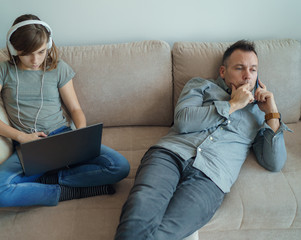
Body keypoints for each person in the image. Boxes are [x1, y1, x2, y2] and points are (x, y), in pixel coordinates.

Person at [114, 40, 290, 240]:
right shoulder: (201, 85)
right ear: (223, 71)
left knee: (163, 234)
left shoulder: (259, 112)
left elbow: (274, 162)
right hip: (169, 156)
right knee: (136, 219)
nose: (247, 75)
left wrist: (272, 113)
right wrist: (232, 105)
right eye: (240, 68)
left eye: (253, 70)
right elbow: (183, 121)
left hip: (211, 177)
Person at [0, 14, 130, 207]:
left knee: (120, 167)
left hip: (62, 137)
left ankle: (48, 180)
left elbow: (75, 108)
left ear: (48, 46)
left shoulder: (58, 68)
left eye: (41, 52)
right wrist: (21, 137)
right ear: (15, 49)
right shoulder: (3, 70)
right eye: (27, 53)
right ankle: (65, 191)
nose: (35, 60)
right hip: (30, 145)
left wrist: (80, 133)